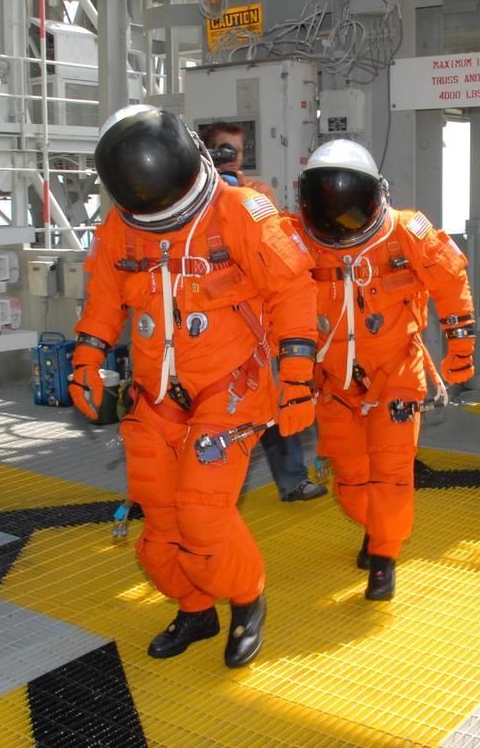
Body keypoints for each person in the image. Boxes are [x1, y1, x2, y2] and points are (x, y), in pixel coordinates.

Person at [69, 105, 318, 668]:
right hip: (155, 393)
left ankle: (248, 600)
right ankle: (195, 608)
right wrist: (88, 356)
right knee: (159, 532)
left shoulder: (242, 212)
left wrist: (297, 380)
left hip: (229, 388)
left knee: (202, 518)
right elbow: (105, 298)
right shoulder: (121, 226)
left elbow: (293, 293)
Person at [294, 139, 475, 601]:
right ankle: (375, 529)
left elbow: (451, 282)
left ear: (376, 193)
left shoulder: (406, 233)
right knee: (352, 481)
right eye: (326, 200)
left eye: (347, 199)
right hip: (335, 384)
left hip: (397, 374)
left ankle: (383, 557)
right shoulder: (295, 238)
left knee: (392, 473)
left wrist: (461, 348)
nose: (337, 214)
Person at [200, 122, 327, 503]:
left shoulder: (255, 194)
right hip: (212, 327)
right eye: (224, 150)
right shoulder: (193, 202)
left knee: (276, 404)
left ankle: (292, 481)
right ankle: (217, 497)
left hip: (258, 324)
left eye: (237, 151)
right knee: (218, 415)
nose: (232, 158)